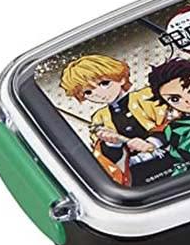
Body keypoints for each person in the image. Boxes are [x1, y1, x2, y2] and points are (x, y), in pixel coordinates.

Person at [59, 54, 169, 185]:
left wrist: (153, 142)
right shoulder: (99, 118)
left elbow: (174, 121)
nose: (99, 93)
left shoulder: (146, 96)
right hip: (138, 175)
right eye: (88, 92)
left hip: (171, 157)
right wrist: (112, 144)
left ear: (121, 79)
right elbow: (106, 158)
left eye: (104, 83)